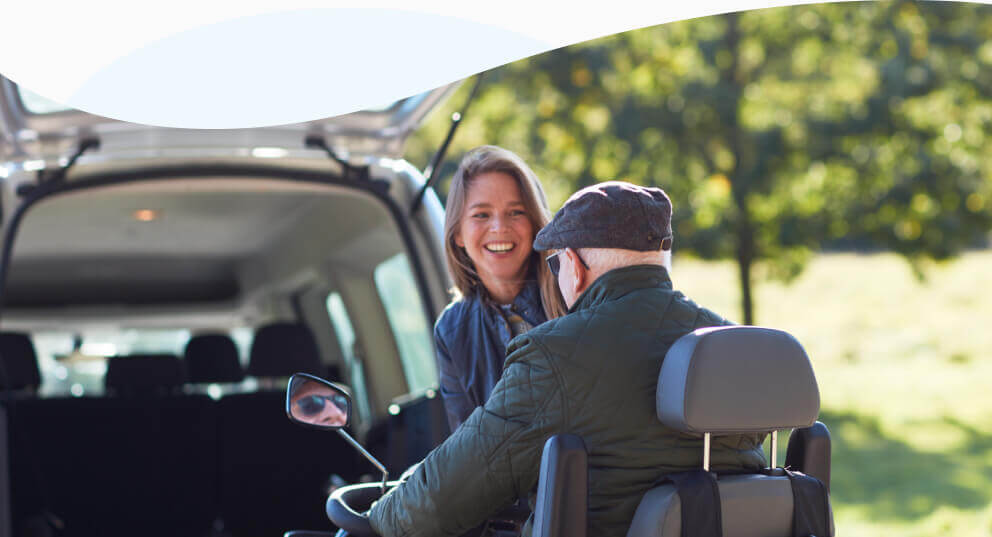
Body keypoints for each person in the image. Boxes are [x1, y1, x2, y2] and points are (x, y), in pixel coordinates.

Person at [369, 181, 767, 537]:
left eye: (556, 262)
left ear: (573, 266)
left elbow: (443, 498)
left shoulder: (553, 354)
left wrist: (375, 518)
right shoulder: (731, 346)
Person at [435, 146, 566, 432]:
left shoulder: (574, 295)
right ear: (457, 233)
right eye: (481, 215)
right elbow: (467, 450)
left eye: (516, 212)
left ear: (535, 224)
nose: (499, 227)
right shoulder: (451, 330)